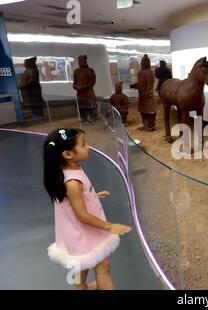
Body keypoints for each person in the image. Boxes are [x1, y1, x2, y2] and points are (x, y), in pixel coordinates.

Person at [43, 128, 132, 290]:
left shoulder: (72, 169)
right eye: (83, 145)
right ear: (68, 154)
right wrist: (110, 226)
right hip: (82, 231)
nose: (88, 147)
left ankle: (80, 287)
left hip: (79, 230)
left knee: (82, 260)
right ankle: (81, 286)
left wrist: (93, 196)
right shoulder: (72, 183)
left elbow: (74, 202)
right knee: (102, 266)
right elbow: (82, 215)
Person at [131, 54, 157, 131]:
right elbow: (140, 84)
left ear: (148, 62)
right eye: (142, 61)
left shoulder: (150, 72)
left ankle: (151, 125)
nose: (143, 63)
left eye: (144, 61)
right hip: (142, 96)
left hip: (148, 96)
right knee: (142, 110)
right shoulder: (140, 72)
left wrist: (149, 92)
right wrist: (134, 86)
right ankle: (145, 124)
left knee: (150, 111)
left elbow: (150, 83)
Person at [73, 55, 97, 123]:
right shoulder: (76, 71)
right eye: (79, 61)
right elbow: (74, 82)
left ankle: (93, 116)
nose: (80, 62)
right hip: (79, 93)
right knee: (81, 106)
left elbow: (92, 82)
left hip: (88, 92)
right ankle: (83, 117)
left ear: (85, 61)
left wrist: (83, 87)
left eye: (81, 60)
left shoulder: (90, 70)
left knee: (90, 105)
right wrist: (75, 86)